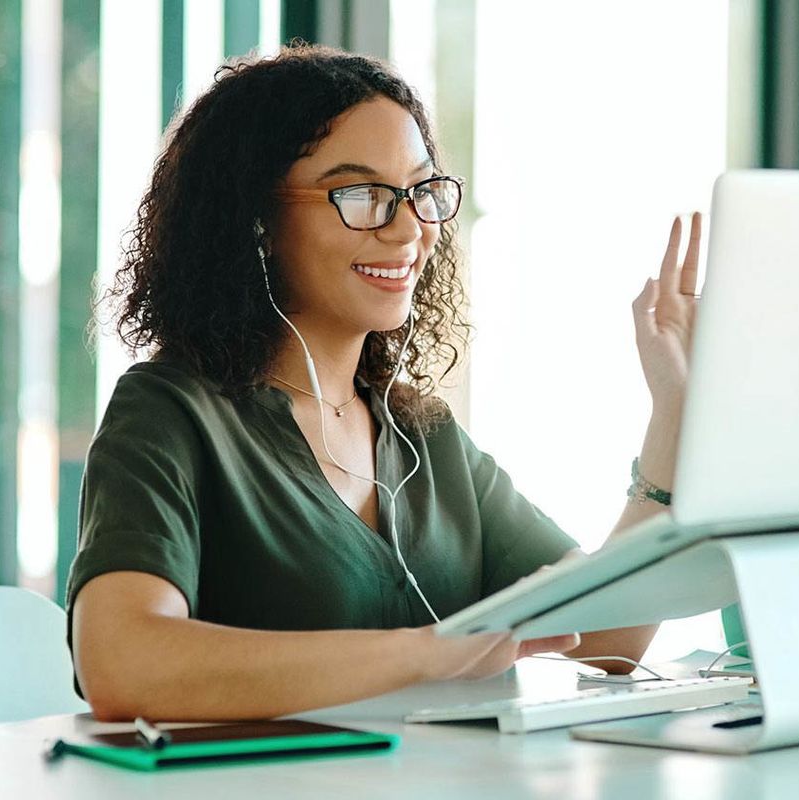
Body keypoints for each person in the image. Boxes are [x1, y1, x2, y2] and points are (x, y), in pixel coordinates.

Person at [69, 44, 702, 722]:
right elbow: (122, 663)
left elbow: (606, 640)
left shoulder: (424, 437)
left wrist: (675, 410)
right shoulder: (171, 411)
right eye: (362, 194)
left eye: (421, 191)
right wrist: (431, 651)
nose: (408, 228)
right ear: (256, 221)